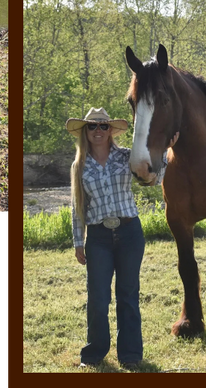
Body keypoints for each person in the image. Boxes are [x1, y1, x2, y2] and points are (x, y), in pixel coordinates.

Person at [66, 107, 178, 370]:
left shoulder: (127, 157)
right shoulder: (79, 165)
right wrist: (78, 241)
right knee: (98, 297)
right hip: (98, 237)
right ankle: (94, 353)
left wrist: (164, 151)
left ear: (111, 130)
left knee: (128, 294)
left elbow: (151, 177)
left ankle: (130, 355)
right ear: (85, 131)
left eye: (103, 126)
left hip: (129, 233)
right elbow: (77, 206)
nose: (98, 131)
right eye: (92, 126)